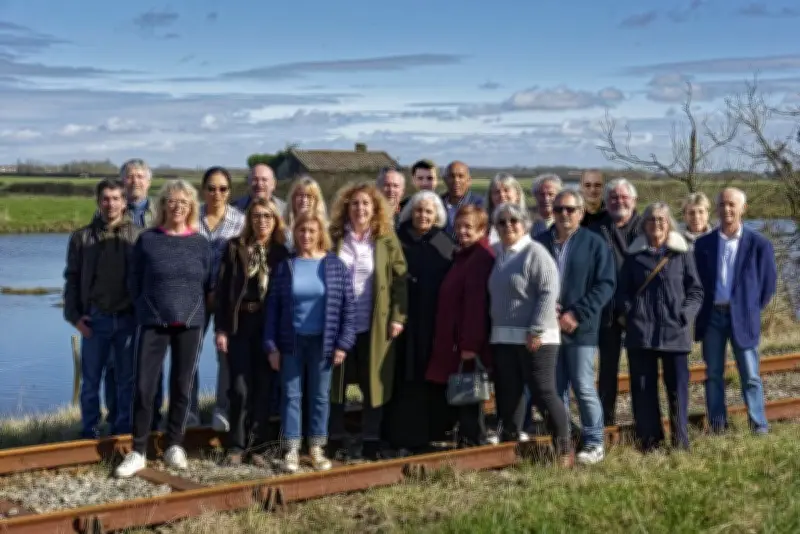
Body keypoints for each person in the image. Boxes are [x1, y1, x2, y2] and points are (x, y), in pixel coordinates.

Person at [115, 180, 212, 478]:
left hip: (190, 324)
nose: (178, 206)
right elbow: (134, 281)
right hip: (152, 323)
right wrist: (147, 308)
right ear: (163, 205)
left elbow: (207, 285)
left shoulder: (200, 243)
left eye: (184, 202)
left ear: (191, 207)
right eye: (172, 201)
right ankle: (138, 450)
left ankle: (174, 445)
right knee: (144, 387)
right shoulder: (148, 240)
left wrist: (196, 313)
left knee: (182, 387)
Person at [265, 212, 356, 472]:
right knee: (291, 395)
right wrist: (271, 346)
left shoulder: (334, 265)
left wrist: (343, 344)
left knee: (320, 396)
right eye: (302, 231)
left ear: (320, 234)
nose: (306, 236)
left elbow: (348, 309)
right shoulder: (286, 266)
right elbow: (273, 309)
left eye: (311, 231)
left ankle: (316, 447)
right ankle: (292, 449)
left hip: (323, 343)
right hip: (291, 341)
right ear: (295, 234)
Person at [488, 202, 574, 467]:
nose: (508, 226)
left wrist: (536, 328)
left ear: (525, 223)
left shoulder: (535, 252)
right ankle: (511, 442)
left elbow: (549, 291)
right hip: (504, 336)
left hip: (535, 336)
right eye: (502, 222)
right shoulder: (497, 253)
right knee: (509, 391)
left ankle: (564, 447)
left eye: (514, 221)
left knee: (543, 391)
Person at [327, 183, 408, 461]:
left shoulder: (385, 238)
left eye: (366, 204)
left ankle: (371, 438)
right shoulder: (335, 236)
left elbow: (400, 279)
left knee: (373, 381)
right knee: (334, 380)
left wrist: (398, 317)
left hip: (375, 322)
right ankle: (335, 437)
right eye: (355, 204)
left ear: (375, 209)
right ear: (346, 208)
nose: (360, 209)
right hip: (338, 323)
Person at [535, 190, 615, 464]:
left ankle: (594, 443)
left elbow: (605, 284)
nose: (564, 214)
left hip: (581, 329)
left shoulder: (594, 244)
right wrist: (545, 308)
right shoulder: (540, 242)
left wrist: (576, 314)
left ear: (581, 213)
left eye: (570, 209)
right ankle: (565, 441)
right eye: (559, 209)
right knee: (554, 390)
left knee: (582, 386)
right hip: (548, 329)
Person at [618, 202, 703, 451]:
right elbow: (622, 292)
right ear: (644, 224)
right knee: (644, 390)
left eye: (661, 220)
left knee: (677, 390)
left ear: (669, 224)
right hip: (641, 333)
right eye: (652, 220)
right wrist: (631, 313)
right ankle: (650, 442)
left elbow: (695, 290)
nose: (657, 224)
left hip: (674, 331)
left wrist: (685, 316)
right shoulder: (633, 256)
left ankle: (680, 442)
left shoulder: (681, 253)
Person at [694, 187, 777, 435]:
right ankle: (718, 426)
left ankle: (758, 424)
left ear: (743, 209)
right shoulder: (703, 244)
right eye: (722, 204)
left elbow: (768, 285)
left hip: (743, 317)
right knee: (714, 375)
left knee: (750, 375)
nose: (727, 209)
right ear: (717, 208)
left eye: (732, 204)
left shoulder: (759, 244)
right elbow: (696, 282)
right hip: (712, 317)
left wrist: (749, 308)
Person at [63, 178, 141, 438]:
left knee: (126, 381)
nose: (110, 204)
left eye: (116, 198)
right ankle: (90, 431)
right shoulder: (81, 238)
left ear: (124, 202)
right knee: (91, 382)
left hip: (129, 319)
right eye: (105, 199)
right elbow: (71, 279)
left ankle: (122, 431)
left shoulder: (139, 237)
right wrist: (74, 318)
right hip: (95, 320)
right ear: (98, 202)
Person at [215, 198, 289, 466]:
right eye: (257, 216)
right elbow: (223, 292)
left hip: (268, 325)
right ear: (249, 219)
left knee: (264, 387)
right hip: (240, 324)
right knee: (239, 387)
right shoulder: (235, 248)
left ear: (275, 220)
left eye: (268, 216)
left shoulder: (281, 253)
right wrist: (221, 329)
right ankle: (236, 444)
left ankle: (259, 446)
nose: (262, 221)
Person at [386, 191, 455, 453]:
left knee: (431, 373)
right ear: (409, 213)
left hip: (432, 321)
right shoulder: (397, 238)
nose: (423, 216)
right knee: (403, 375)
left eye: (428, 211)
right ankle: (400, 432)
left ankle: (434, 430)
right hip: (402, 320)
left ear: (436, 215)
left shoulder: (445, 242)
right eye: (418, 210)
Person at [427, 205, 496, 447]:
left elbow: (476, 307)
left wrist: (470, 344)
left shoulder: (479, 258)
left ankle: (473, 440)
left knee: (470, 391)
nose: (462, 231)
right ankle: (465, 437)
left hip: (466, 341)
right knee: (462, 389)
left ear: (481, 229)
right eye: (458, 226)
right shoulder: (464, 255)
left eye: (468, 227)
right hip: (454, 338)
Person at [589, 177, 642, 425]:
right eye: (613, 197)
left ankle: (643, 420)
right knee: (607, 371)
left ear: (633, 201)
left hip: (637, 311)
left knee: (640, 369)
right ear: (606, 202)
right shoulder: (595, 229)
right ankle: (606, 422)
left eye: (623, 197)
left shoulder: (647, 227)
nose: (618, 201)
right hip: (606, 312)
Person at [198, 166, 246, 432]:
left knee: (224, 353)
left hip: (227, 298)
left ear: (229, 192)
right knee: (190, 354)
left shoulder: (240, 221)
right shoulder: (191, 216)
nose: (217, 194)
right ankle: (189, 410)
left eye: (223, 189)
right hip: (194, 297)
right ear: (203, 190)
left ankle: (221, 409)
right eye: (211, 188)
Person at [119, 158, 163, 431]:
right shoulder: (111, 209)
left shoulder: (161, 213)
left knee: (153, 365)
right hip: (120, 301)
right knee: (120, 369)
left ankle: (154, 422)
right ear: (123, 181)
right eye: (130, 176)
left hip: (153, 301)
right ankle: (122, 424)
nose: (135, 181)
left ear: (148, 181)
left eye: (140, 176)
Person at [440, 161, 484, 239]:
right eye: (452, 176)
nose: (456, 180)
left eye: (461, 176)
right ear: (445, 180)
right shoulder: (437, 204)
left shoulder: (480, 204)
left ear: (469, 181)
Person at [284, 175, 329, 250]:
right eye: (300, 195)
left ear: (316, 200)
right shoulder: (282, 228)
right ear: (293, 199)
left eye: (308, 196)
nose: (304, 200)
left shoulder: (326, 229)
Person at [485, 172, 527, 245]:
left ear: (517, 194)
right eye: (497, 192)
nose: (502, 195)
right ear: (490, 197)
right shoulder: (484, 224)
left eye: (506, 190)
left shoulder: (532, 223)